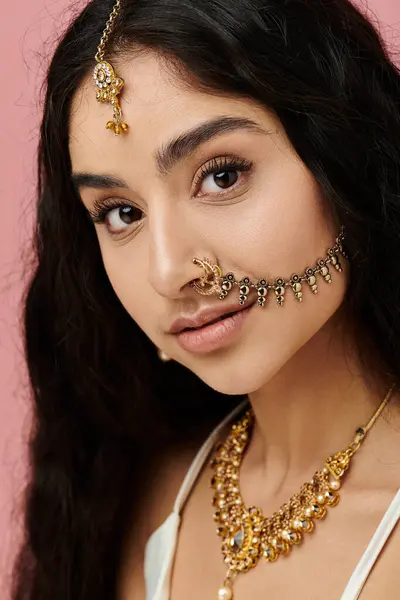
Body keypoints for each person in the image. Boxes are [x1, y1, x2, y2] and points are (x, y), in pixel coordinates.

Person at [11, 0, 400, 598]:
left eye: (221, 176)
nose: (169, 272)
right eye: (121, 213)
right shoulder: (140, 499)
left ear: (341, 156)